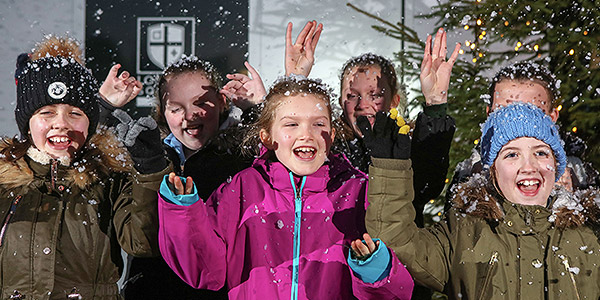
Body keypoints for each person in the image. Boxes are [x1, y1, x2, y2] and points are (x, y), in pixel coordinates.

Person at [158, 77, 414, 299]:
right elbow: (205, 272)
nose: (307, 134)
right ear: (268, 136)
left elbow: (399, 292)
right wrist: (183, 212)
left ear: (332, 135)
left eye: (319, 124)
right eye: (292, 124)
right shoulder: (242, 188)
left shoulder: (358, 191)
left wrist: (375, 270)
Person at [366, 102, 600, 299]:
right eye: (511, 154)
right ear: (492, 170)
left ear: (556, 164)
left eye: (540, 153)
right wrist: (390, 170)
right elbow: (398, 242)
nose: (528, 167)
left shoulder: (590, 233)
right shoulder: (464, 233)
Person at [0, 56, 167, 299]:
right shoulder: (4, 183)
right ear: (27, 124)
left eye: (75, 113)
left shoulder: (109, 178)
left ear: (91, 123)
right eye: (46, 112)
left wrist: (151, 168)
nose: (61, 124)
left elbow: (143, 242)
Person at [120, 55, 265, 299]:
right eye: (176, 109)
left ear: (221, 101)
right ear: (161, 111)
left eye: (201, 104)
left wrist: (255, 109)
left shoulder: (242, 155)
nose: (190, 116)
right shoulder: (148, 156)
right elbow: (139, 235)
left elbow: (277, 156)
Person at [450, 61, 599, 195]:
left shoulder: (582, 174)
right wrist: (477, 191)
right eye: (505, 112)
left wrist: (574, 197)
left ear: (552, 117)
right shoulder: (470, 172)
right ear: (489, 115)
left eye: (532, 112)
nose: (519, 123)